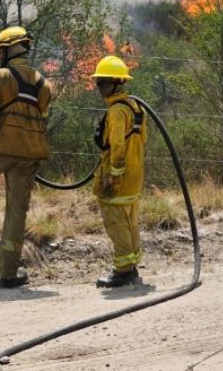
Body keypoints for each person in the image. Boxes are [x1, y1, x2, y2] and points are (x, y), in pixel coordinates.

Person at [0, 26, 52, 288]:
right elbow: (41, 117)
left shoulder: (0, 77)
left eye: (0, 51)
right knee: (17, 212)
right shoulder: (43, 84)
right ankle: (8, 274)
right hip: (29, 155)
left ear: (7, 50)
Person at [90, 55, 148, 288]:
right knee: (130, 219)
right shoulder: (135, 107)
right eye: (99, 83)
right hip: (135, 175)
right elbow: (142, 140)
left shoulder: (116, 111)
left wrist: (114, 175)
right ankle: (132, 265)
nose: (99, 88)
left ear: (115, 82)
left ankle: (123, 270)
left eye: (103, 83)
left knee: (115, 221)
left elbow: (117, 146)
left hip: (119, 176)